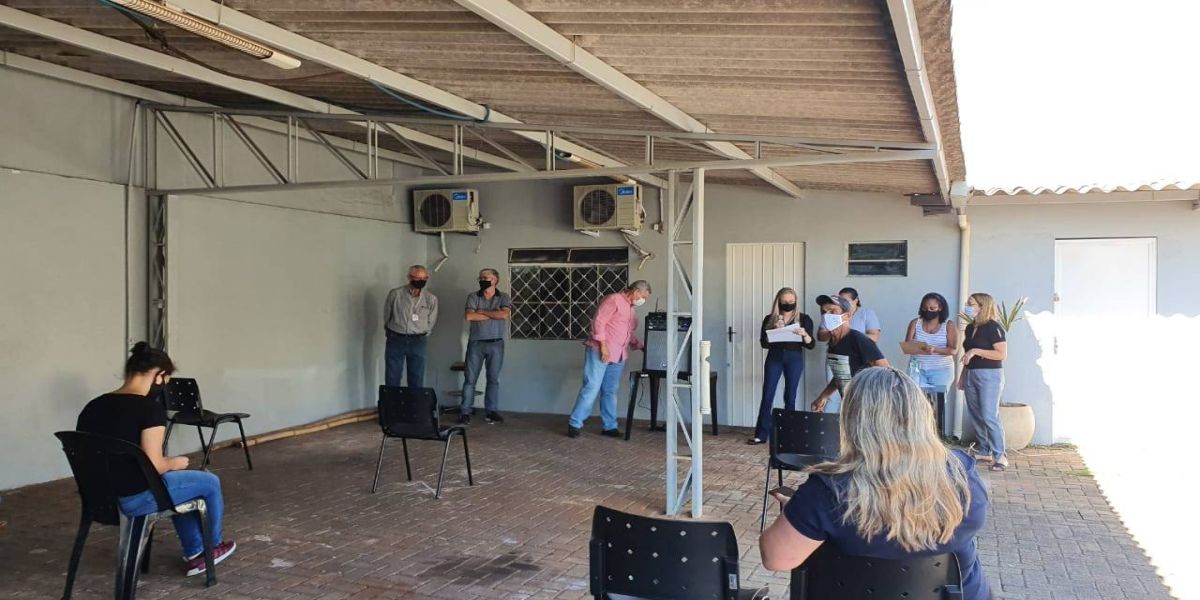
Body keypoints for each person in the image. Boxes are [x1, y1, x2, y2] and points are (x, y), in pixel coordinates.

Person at [759, 367, 991, 600]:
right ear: (921, 415)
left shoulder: (827, 492)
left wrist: (798, 511)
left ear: (852, 419)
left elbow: (775, 558)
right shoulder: (963, 475)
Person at [76, 343, 236, 577]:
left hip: (99, 498)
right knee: (208, 482)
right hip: (135, 499)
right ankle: (210, 549)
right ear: (159, 376)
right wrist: (175, 462)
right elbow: (155, 465)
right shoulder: (148, 410)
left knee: (182, 483)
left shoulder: (93, 407)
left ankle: (195, 551)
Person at [567, 281, 652, 438]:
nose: (642, 300)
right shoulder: (613, 300)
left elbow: (627, 333)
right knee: (592, 386)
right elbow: (598, 323)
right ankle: (575, 423)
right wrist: (603, 347)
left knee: (610, 390)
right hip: (601, 351)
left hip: (619, 354)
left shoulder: (630, 309)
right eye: (642, 296)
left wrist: (640, 345)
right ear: (635, 291)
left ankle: (609, 426)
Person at [748, 287, 815, 445]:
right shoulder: (770, 319)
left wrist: (804, 334)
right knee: (767, 395)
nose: (788, 304)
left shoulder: (804, 319)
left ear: (796, 302)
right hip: (775, 357)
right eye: (785, 301)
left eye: (791, 301)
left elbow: (811, 345)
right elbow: (763, 343)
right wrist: (774, 330)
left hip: (794, 358)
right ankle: (761, 434)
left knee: (790, 396)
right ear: (778, 301)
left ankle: (788, 435)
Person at [812, 294, 889, 413]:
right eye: (824, 312)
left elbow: (885, 368)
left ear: (847, 316)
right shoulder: (833, 342)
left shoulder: (857, 339)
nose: (827, 316)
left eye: (833, 311)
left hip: (868, 404)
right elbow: (841, 376)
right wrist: (823, 396)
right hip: (850, 403)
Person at [960, 292, 1009, 471]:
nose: (968, 306)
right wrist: (962, 377)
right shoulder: (970, 328)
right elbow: (967, 355)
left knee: (989, 415)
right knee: (976, 414)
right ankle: (984, 449)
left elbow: (1001, 354)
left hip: (990, 375)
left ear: (982, 306)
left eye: (971, 303)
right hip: (972, 373)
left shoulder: (993, 327)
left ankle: (1000, 455)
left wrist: (975, 351)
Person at [459, 268, 512, 425]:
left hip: (496, 343)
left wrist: (481, 312)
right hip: (476, 343)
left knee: (493, 379)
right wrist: (492, 313)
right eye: (481, 277)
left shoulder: (504, 297)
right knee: (470, 379)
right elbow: (469, 316)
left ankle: (491, 411)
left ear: (495, 280)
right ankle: (465, 412)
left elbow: (504, 315)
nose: (482, 280)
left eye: (486, 277)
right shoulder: (473, 296)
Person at [383, 265, 438, 388]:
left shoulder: (431, 298)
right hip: (396, 338)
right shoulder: (395, 294)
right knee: (392, 376)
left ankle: (413, 406)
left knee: (416, 377)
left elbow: (431, 321)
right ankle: (392, 406)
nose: (421, 281)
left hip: (418, 340)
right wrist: (391, 331)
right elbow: (387, 315)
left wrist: (421, 331)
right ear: (409, 277)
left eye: (424, 278)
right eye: (417, 278)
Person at [904, 292, 959, 393]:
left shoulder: (949, 325)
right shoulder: (915, 323)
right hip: (917, 369)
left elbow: (953, 350)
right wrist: (920, 348)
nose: (928, 311)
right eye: (925, 308)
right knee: (916, 399)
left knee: (938, 402)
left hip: (941, 370)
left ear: (940, 307)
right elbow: (907, 347)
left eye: (932, 308)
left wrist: (935, 349)